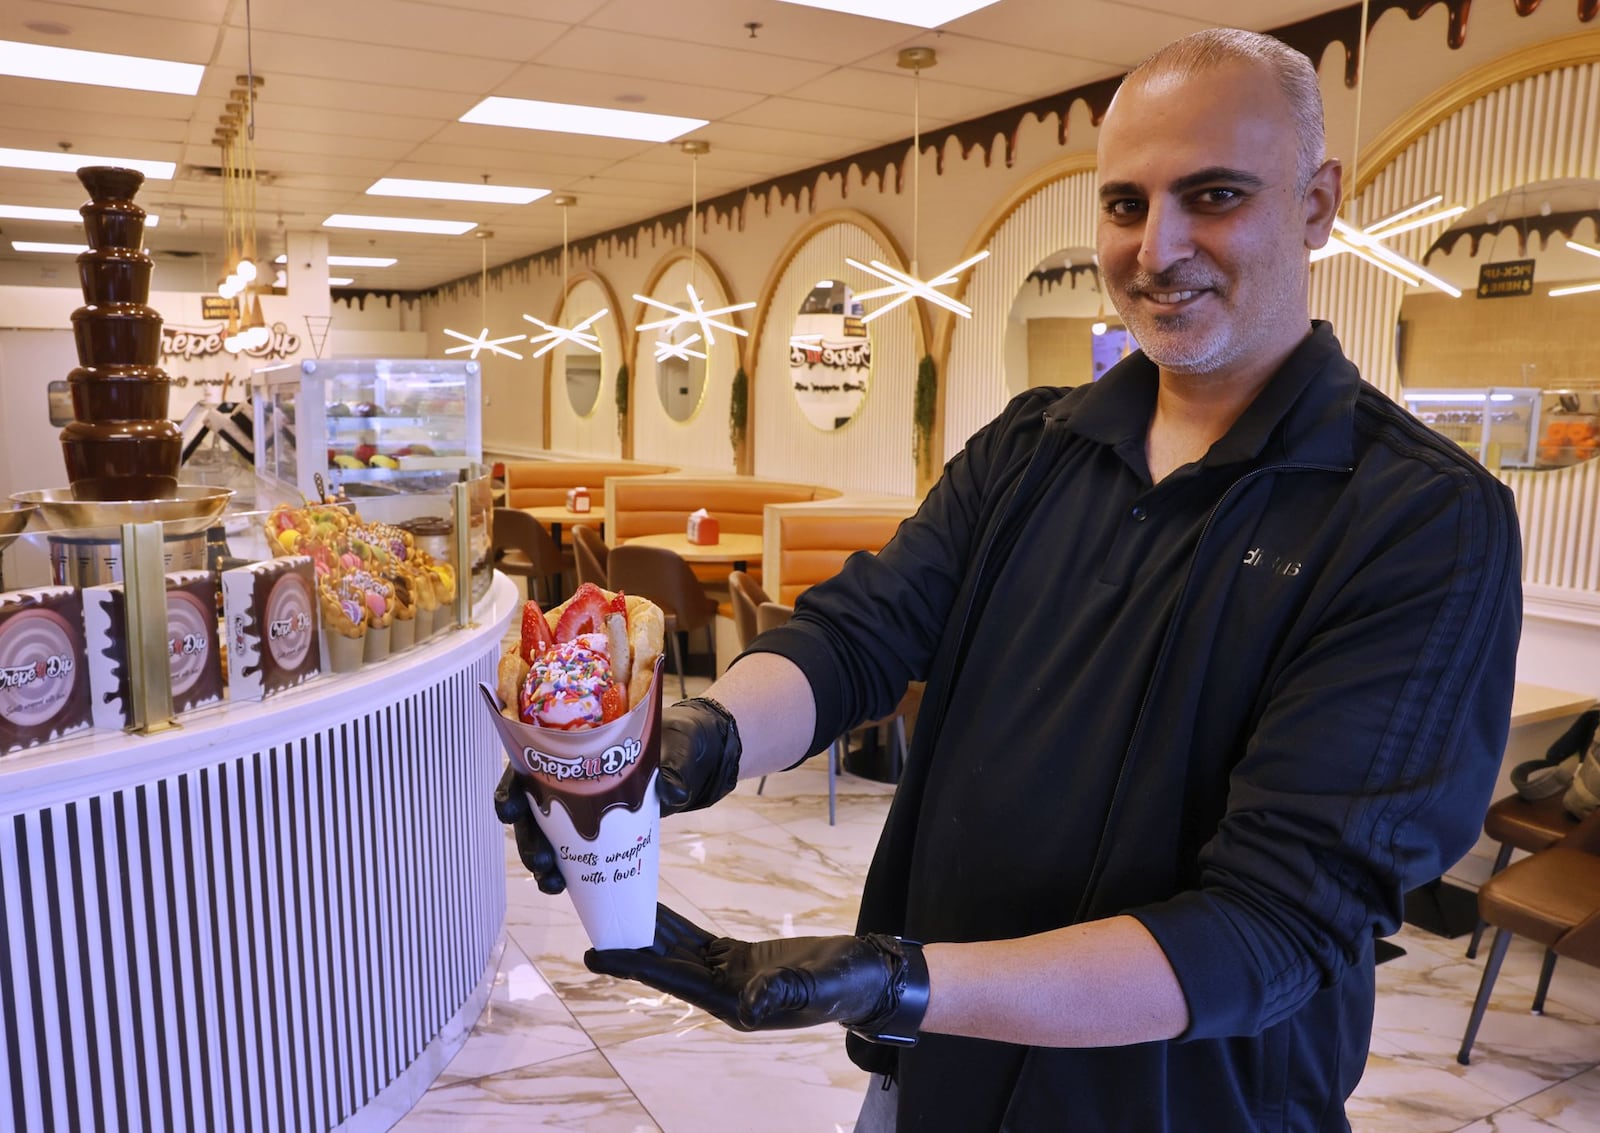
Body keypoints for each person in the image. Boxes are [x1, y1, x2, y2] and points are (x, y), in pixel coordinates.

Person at [496, 27, 1522, 1132]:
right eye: (1124, 204)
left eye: (1213, 195)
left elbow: (1273, 924)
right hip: (937, 1076)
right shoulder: (1033, 443)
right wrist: (698, 740)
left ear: (1317, 204)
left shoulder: (1418, 517)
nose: (1156, 246)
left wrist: (904, 977)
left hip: (1181, 1103)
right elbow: (861, 633)